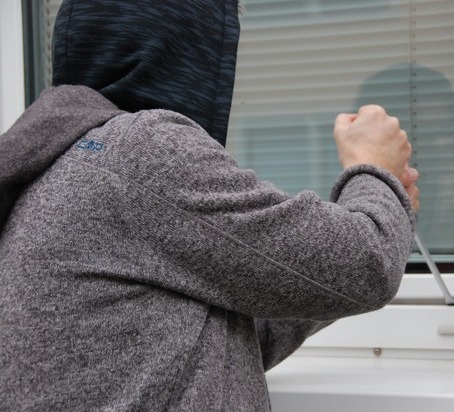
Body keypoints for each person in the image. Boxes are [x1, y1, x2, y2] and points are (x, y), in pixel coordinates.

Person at [0, 0, 419, 410]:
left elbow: (225, 343)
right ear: (191, 53)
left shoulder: (61, 161)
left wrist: (380, 205)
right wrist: (374, 166)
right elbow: (365, 266)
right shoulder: (140, 151)